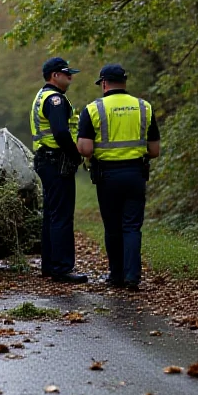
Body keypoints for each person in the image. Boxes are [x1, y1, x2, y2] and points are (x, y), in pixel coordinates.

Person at [76, 64, 160, 291]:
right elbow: (154, 150)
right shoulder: (144, 107)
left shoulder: (93, 109)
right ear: (125, 82)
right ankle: (133, 277)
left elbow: (84, 148)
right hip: (135, 174)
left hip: (107, 176)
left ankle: (116, 275)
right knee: (132, 226)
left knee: (113, 226)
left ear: (104, 83)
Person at [31, 57, 87, 283]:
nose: (70, 76)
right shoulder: (55, 99)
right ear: (55, 75)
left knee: (52, 214)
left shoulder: (41, 96)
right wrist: (75, 154)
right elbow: (61, 132)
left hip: (47, 160)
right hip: (56, 161)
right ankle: (62, 268)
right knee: (62, 215)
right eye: (66, 73)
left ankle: (49, 265)